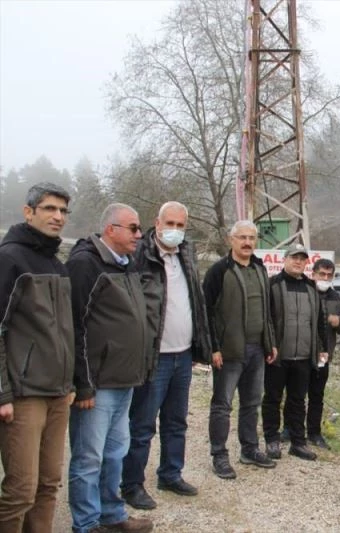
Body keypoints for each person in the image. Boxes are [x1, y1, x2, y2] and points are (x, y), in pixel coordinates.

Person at [66, 204, 152, 533]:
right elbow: (74, 326)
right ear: (110, 229)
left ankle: (112, 516)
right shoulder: (84, 264)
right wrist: (82, 384)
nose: (139, 235)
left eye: (139, 228)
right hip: (97, 384)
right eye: (132, 228)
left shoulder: (127, 264)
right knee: (89, 459)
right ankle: (86, 524)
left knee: (115, 454)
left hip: (124, 380)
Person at [121, 202, 211, 510]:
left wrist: (201, 346)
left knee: (176, 421)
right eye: (169, 223)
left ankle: (171, 474)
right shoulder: (139, 255)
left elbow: (195, 302)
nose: (175, 229)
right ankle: (131, 484)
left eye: (180, 225)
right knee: (142, 424)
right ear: (156, 224)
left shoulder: (186, 254)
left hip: (183, 355)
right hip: (153, 356)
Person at [0, 183, 74, 532]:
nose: (57, 217)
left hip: (58, 393)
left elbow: (64, 332)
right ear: (28, 211)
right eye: (49, 209)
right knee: (20, 490)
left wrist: (71, 382)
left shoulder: (56, 264)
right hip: (24, 395)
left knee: (48, 484)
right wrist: (2, 392)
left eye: (62, 211)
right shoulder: (9, 258)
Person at [203, 221, 278, 479]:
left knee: (252, 402)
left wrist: (271, 343)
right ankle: (219, 456)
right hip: (228, 351)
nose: (247, 242)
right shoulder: (218, 271)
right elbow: (207, 312)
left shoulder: (260, 268)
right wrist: (213, 347)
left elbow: (267, 311)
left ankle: (249, 449)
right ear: (230, 240)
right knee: (222, 405)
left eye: (251, 238)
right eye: (242, 237)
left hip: (257, 349)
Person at [262, 244, 329, 462]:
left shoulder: (311, 287)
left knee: (298, 400)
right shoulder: (272, 285)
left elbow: (319, 321)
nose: (298, 262)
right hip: (278, 355)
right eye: (294, 257)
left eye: (302, 258)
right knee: (272, 398)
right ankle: (272, 439)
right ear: (285, 259)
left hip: (303, 356)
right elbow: (266, 320)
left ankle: (298, 443)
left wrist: (322, 349)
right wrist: (269, 346)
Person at [306, 258, 340, 450]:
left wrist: (337, 321)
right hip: (301, 352)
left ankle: (314, 433)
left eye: (329, 275)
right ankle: (291, 429)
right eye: (321, 274)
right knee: (295, 394)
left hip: (323, 354)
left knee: (317, 395)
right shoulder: (305, 291)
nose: (325, 278)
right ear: (313, 273)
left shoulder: (336, 297)